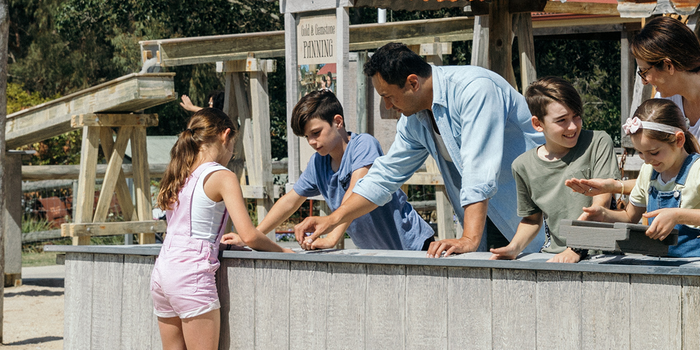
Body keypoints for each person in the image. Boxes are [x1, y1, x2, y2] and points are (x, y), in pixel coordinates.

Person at [123, 107, 285, 350]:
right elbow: (249, 234)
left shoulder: (181, 173)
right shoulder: (222, 175)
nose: (234, 153)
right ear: (226, 135)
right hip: (192, 276)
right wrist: (285, 251)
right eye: (234, 144)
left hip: (164, 272)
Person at [294, 42, 540, 257]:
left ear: (413, 82)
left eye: (388, 96)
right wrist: (332, 219)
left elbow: (479, 169)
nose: (387, 106)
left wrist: (469, 238)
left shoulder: (475, 90)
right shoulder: (413, 120)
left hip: (537, 214)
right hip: (487, 218)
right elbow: (384, 177)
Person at [575, 15, 700, 258]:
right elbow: (670, 175)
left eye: (644, 72)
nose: (644, 81)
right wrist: (615, 188)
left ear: (668, 66)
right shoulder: (668, 98)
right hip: (696, 220)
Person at [256, 89, 437, 253]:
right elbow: (289, 201)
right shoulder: (318, 163)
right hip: (375, 253)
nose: (311, 141)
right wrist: (254, 235)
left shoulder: (364, 144)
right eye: (306, 136)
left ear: (338, 122)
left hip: (415, 245)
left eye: (316, 133)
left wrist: (332, 238)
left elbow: (356, 191)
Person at [572, 98, 700, 258]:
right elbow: (629, 216)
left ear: (679, 140)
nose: (647, 160)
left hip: (699, 267)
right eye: (641, 153)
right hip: (659, 266)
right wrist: (603, 215)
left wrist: (678, 215)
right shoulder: (649, 171)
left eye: (654, 152)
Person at [490, 77, 619, 263]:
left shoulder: (598, 142)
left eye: (577, 116)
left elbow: (600, 206)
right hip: (556, 256)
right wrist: (514, 247)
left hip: (602, 256)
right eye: (562, 120)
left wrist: (575, 249)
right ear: (538, 124)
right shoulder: (522, 166)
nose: (572, 126)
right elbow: (532, 220)